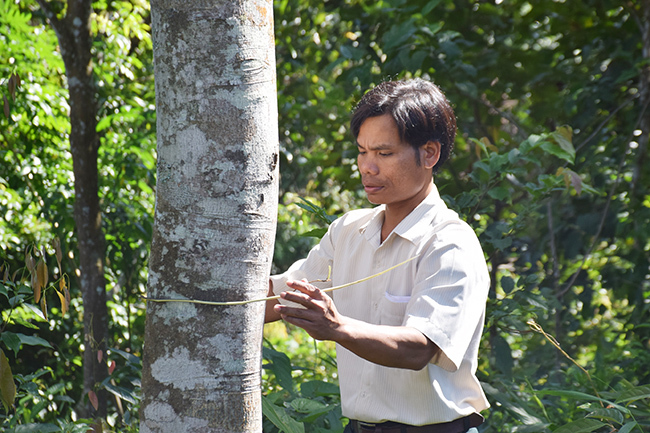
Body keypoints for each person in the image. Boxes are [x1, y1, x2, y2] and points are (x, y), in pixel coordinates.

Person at [265, 78, 490, 433]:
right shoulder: (347, 231)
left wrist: (337, 328)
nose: (367, 167)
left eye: (384, 154)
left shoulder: (449, 243)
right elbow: (279, 298)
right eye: (362, 151)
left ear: (429, 153)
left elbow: (418, 348)